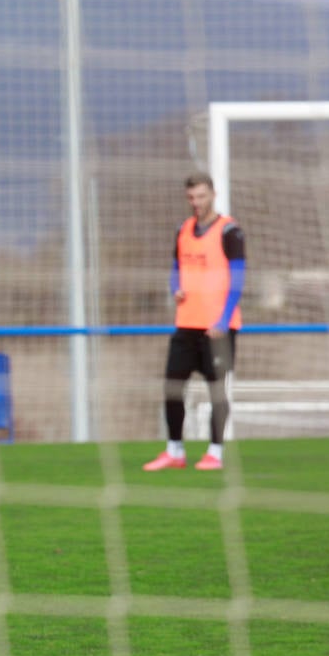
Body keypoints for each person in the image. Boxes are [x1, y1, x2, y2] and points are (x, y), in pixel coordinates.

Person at [143, 172, 245, 472]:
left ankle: (215, 452)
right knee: (173, 386)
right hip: (186, 323)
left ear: (212, 194)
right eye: (191, 197)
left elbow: (238, 278)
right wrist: (175, 286)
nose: (196, 203)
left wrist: (224, 319)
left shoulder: (230, 231)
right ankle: (175, 450)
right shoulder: (183, 229)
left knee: (216, 390)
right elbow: (177, 265)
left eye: (201, 196)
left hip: (218, 328)